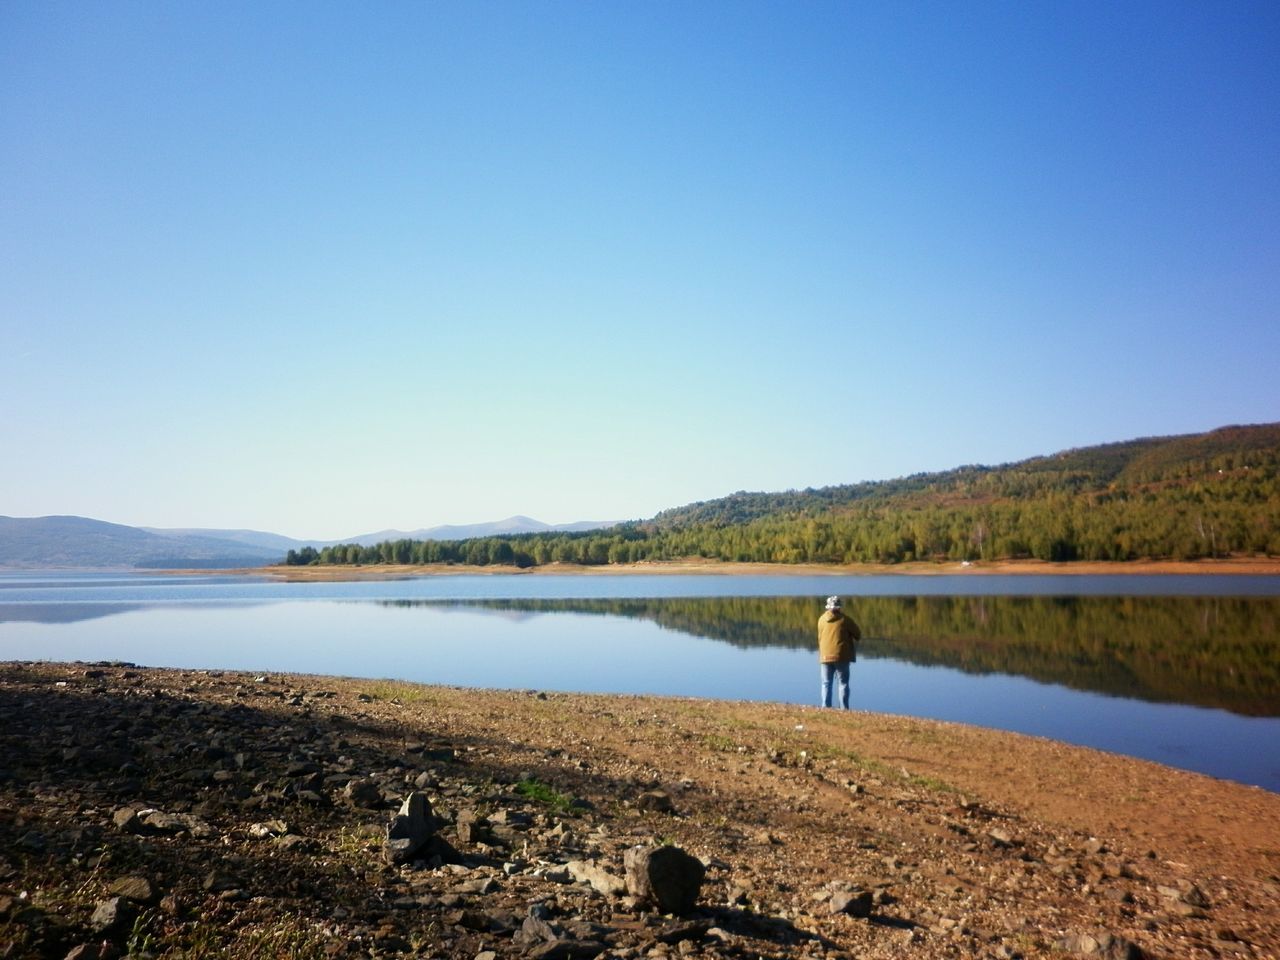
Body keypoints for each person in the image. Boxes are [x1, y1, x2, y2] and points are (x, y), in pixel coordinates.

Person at [817, 595, 860, 708]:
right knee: (843, 683)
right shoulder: (845, 620)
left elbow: (820, 636)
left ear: (828, 607)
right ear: (839, 607)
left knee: (826, 683)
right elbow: (858, 634)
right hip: (841, 656)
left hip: (825, 656)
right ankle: (844, 709)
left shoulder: (821, 619)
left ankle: (826, 708)